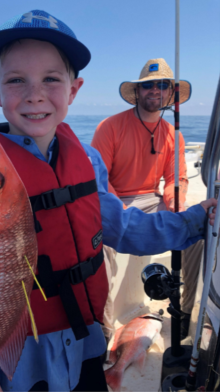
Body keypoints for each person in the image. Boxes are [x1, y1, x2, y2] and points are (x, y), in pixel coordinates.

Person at [0, 13, 217, 392]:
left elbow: (125, 227)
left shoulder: (86, 160)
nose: (35, 94)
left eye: (51, 78)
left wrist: (195, 221)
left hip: (85, 341)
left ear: (74, 89)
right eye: (16, 80)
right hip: (16, 353)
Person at [91, 58, 201, 341]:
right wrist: (122, 211)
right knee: (97, 247)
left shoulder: (173, 134)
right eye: (148, 85)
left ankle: (185, 309)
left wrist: (176, 203)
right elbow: (98, 182)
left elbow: (177, 179)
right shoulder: (110, 127)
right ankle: (101, 329)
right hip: (114, 201)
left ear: (170, 94)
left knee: (197, 231)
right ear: (137, 92)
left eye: (163, 85)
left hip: (152, 199)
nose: (155, 90)